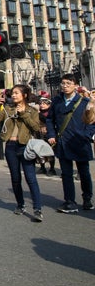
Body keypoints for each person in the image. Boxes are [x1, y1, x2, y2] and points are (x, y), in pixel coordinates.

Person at [0, 85, 44, 221]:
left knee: (30, 178)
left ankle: (37, 209)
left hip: (25, 146)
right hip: (10, 146)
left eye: (16, 93)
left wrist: (23, 114)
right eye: (12, 93)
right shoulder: (8, 109)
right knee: (15, 178)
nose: (13, 95)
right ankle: (20, 205)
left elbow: (36, 127)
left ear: (24, 95)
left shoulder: (31, 110)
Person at [45, 73, 95, 213]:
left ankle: (87, 199)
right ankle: (69, 202)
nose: (65, 86)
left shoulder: (84, 102)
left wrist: (87, 135)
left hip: (80, 141)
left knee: (84, 172)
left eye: (68, 83)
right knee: (66, 173)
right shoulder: (57, 101)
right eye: (63, 83)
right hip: (63, 141)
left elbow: (92, 121)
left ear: (75, 86)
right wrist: (51, 134)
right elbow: (50, 120)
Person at [37, 97, 57, 176]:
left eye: (44, 104)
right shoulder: (38, 113)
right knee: (40, 152)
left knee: (50, 152)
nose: (42, 105)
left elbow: (50, 122)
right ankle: (42, 167)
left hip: (49, 135)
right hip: (40, 134)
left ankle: (52, 168)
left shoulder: (51, 113)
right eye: (41, 104)